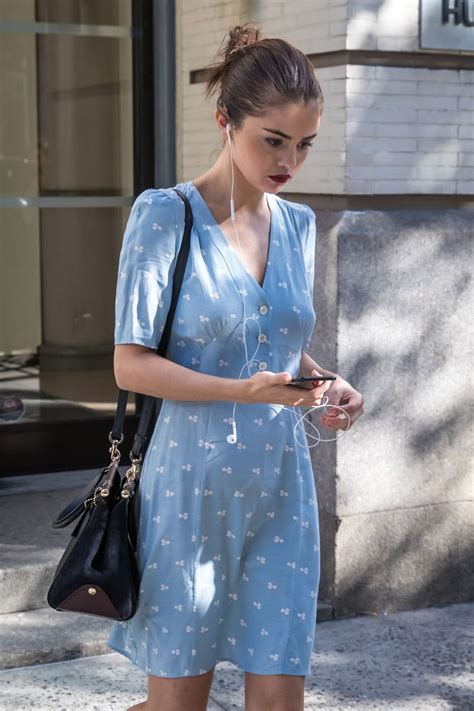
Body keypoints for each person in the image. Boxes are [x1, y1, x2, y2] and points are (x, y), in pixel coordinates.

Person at [108, 22, 364, 711]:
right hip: (189, 487)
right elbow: (130, 364)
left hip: (281, 486)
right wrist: (241, 390)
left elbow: (273, 336)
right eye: (273, 140)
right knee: (178, 706)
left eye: (304, 144)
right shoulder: (166, 216)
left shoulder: (299, 225)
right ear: (226, 121)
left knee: (281, 701)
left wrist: (323, 382)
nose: (289, 160)